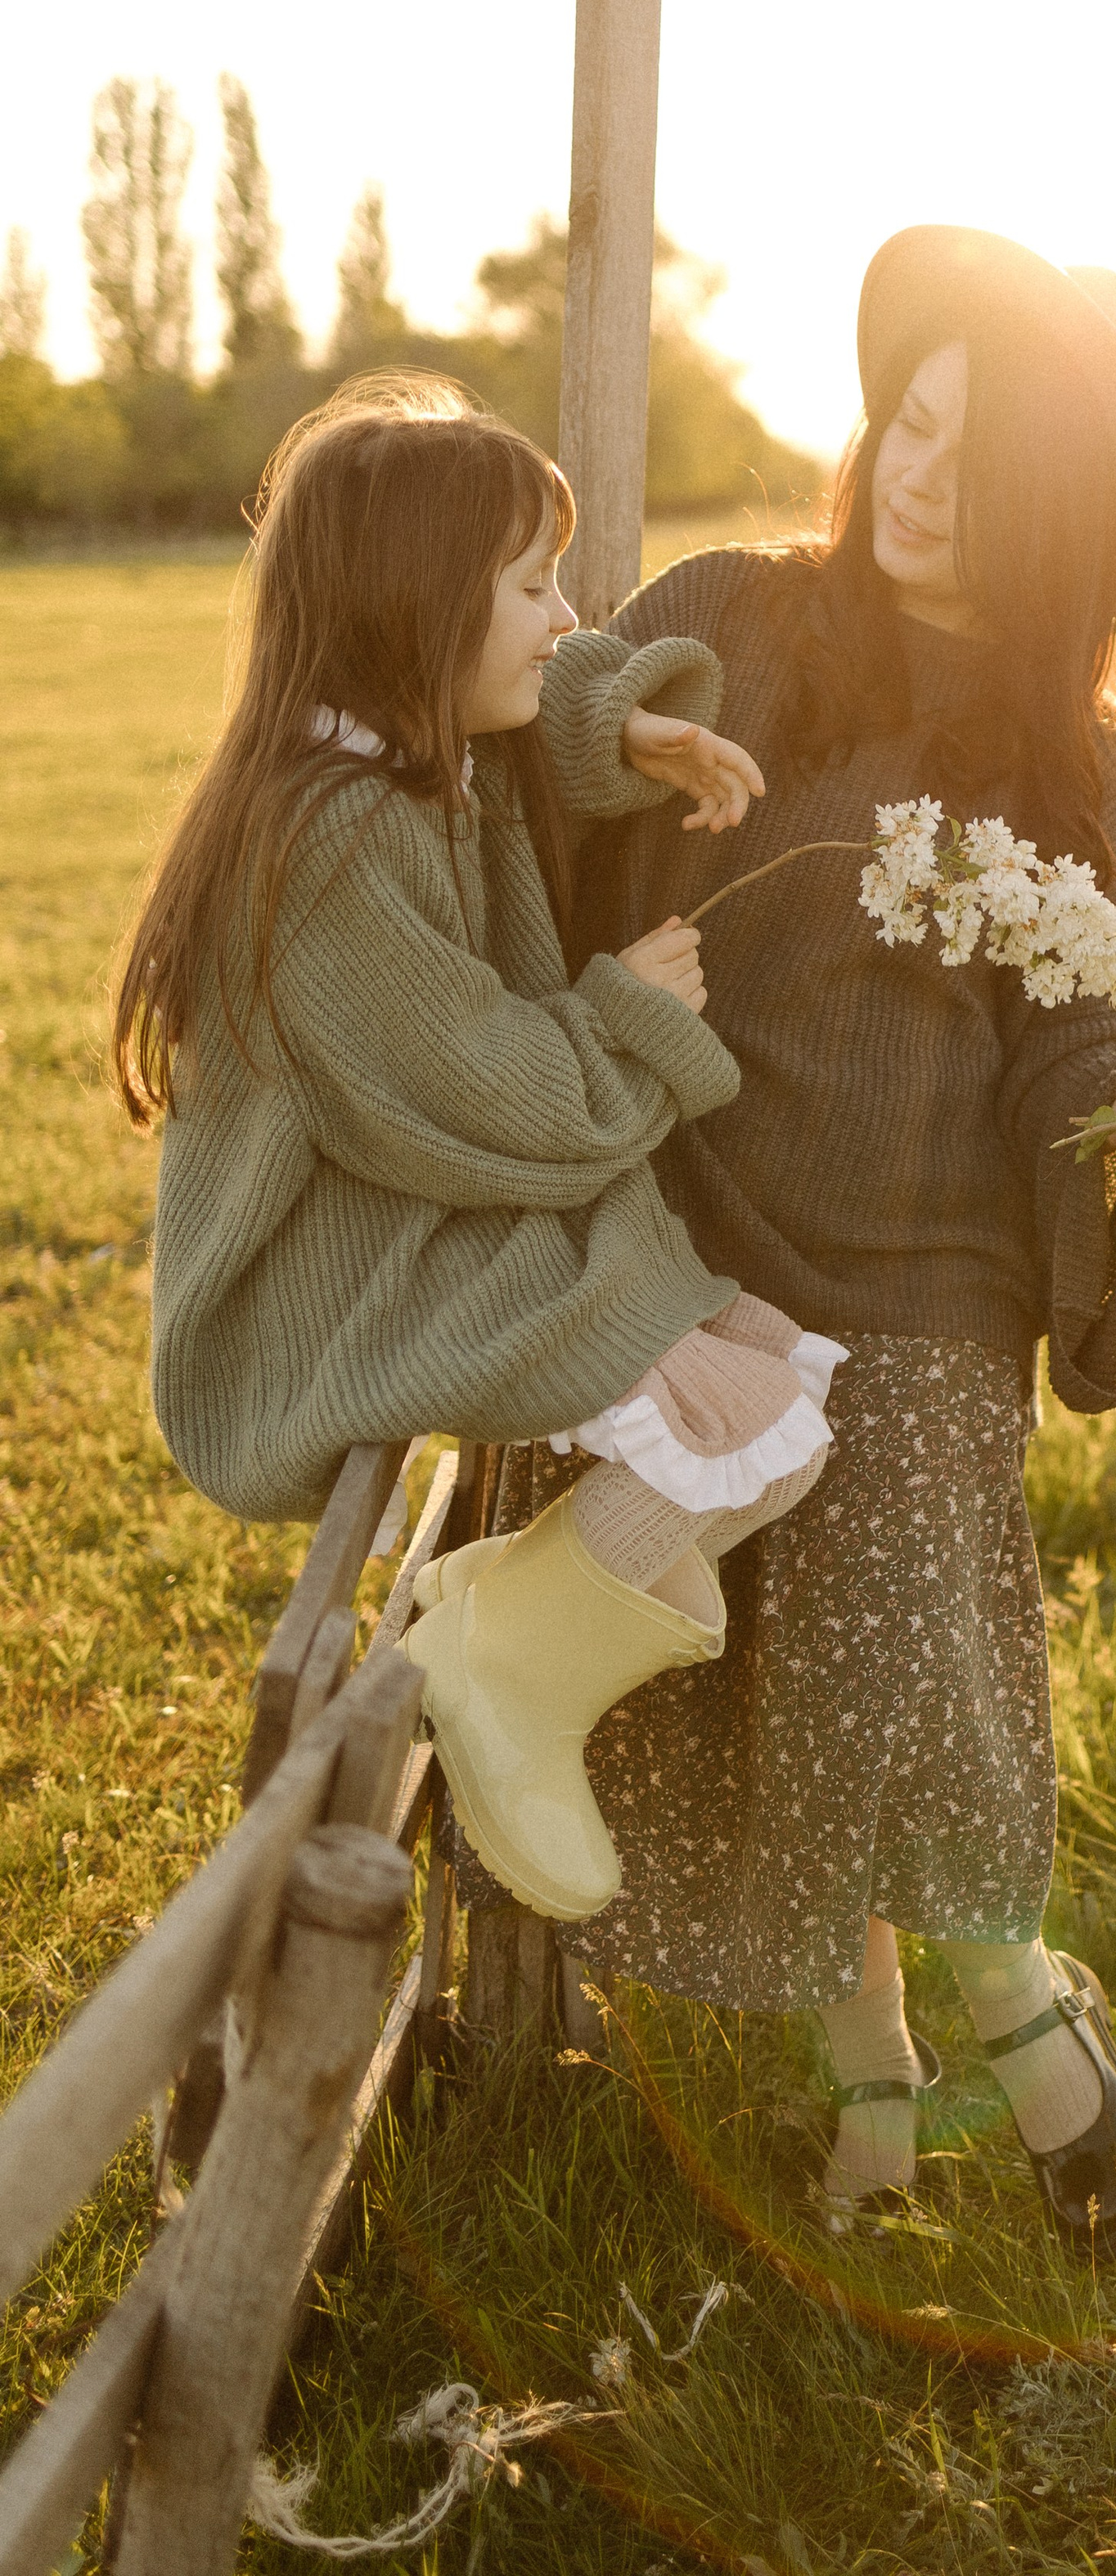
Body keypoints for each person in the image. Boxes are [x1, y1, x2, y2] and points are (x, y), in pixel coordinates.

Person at [559, 227, 1116, 2260]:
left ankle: (1036, 2060)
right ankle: (872, 2118)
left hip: (931, 1279)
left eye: (971, 451)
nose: (918, 471)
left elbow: (1072, 1049)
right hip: (694, 1240)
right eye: (906, 419)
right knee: (765, 1699)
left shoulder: (1072, 755)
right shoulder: (727, 621)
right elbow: (552, 829)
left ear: (1052, 509)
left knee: (902, 1690)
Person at [113, 375, 844, 1926]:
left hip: (411, 1204)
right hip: (325, 1277)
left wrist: (617, 717)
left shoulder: (415, 753)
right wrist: (633, 1016)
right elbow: (490, 1092)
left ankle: (511, 1634)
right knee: (719, 1401)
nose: (564, 613)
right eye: (528, 587)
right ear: (416, 612)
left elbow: (552, 693)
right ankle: (507, 1675)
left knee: (773, 1369)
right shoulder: (330, 843)